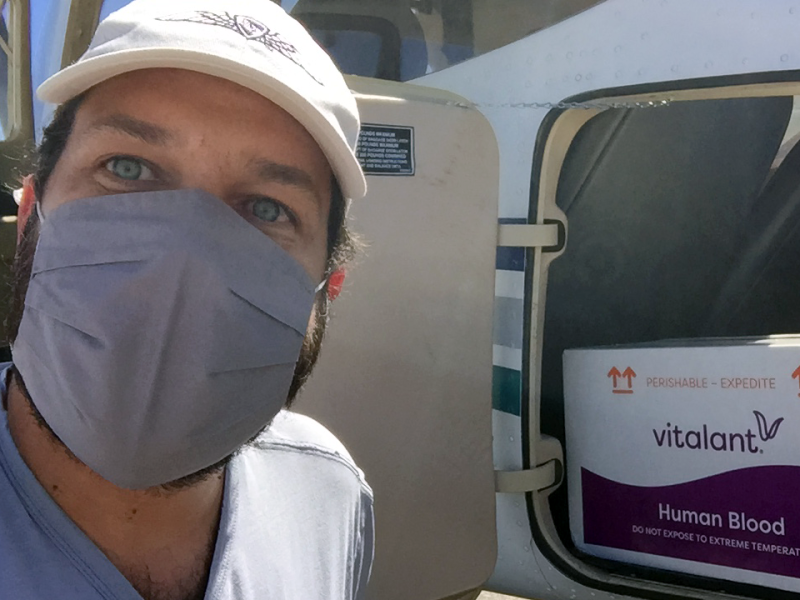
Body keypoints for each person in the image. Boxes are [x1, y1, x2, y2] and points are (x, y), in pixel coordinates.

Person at [0, 0, 373, 598]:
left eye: (268, 208)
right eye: (126, 168)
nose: (184, 257)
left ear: (324, 292)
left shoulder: (328, 494)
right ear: (28, 219)